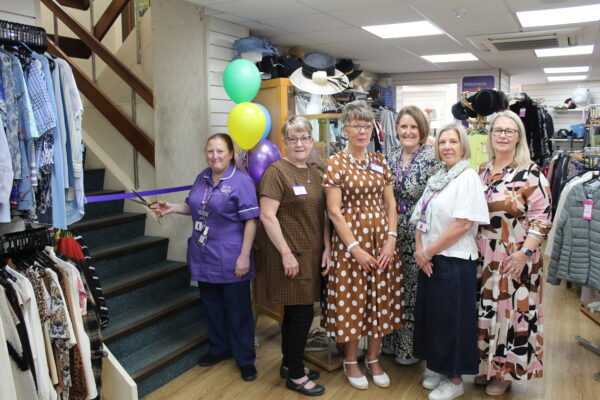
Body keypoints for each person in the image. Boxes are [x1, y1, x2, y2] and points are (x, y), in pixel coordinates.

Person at [151, 133, 259, 382]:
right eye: (210, 151)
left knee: (238, 311)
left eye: (220, 151)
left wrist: (244, 256)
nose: (215, 156)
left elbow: (251, 221)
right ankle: (220, 349)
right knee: (212, 307)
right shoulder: (202, 177)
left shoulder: (241, 181)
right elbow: (196, 206)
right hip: (204, 255)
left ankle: (245, 359)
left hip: (232, 257)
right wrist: (172, 208)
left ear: (231, 153)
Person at [324, 100, 402, 390]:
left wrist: (391, 239)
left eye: (367, 125)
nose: (362, 130)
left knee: (380, 299)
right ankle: (351, 360)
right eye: (355, 125)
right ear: (344, 129)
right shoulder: (336, 163)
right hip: (350, 245)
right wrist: (355, 248)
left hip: (382, 242)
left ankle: (373, 358)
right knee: (353, 301)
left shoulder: (380, 161)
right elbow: (334, 211)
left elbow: (390, 203)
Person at [476, 110, 552, 396]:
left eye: (510, 131)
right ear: (490, 135)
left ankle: (504, 373)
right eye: (498, 130)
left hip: (515, 256)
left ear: (518, 136)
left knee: (509, 313)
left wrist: (524, 253)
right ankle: (486, 366)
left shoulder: (532, 173)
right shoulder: (481, 170)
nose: (503, 135)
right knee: (484, 313)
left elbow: (542, 218)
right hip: (484, 254)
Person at [411, 123, 489, 400]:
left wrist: (427, 252)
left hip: (455, 262)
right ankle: (436, 366)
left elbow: (463, 223)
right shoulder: (440, 177)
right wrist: (421, 250)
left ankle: (454, 378)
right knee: (433, 318)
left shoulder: (468, 178)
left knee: (451, 321)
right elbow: (421, 216)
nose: (446, 147)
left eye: (453, 142)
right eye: (442, 142)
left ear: (463, 145)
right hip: (431, 258)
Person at [259, 116, 330, 397]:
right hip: (291, 256)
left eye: (304, 138)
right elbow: (267, 216)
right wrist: (287, 254)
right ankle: (297, 375)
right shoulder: (276, 172)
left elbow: (322, 215)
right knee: (300, 316)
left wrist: (327, 247)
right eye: (292, 138)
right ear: (284, 142)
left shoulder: (315, 172)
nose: (299, 143)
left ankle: (290, 365)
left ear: (312, 141)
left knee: (295, 315)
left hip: (313, 254)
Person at [382, 105, 441, 366]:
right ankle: (388, 343)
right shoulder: (388, 155)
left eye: (413, 127)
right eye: (404, 126)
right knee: (392, 287)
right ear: (396, 129)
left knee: (413, 292)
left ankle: (408, 349)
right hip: (391, 230)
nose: (408, 131)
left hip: (419, 231)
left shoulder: (432, 157)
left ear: (422, 129)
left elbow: (436, 200)